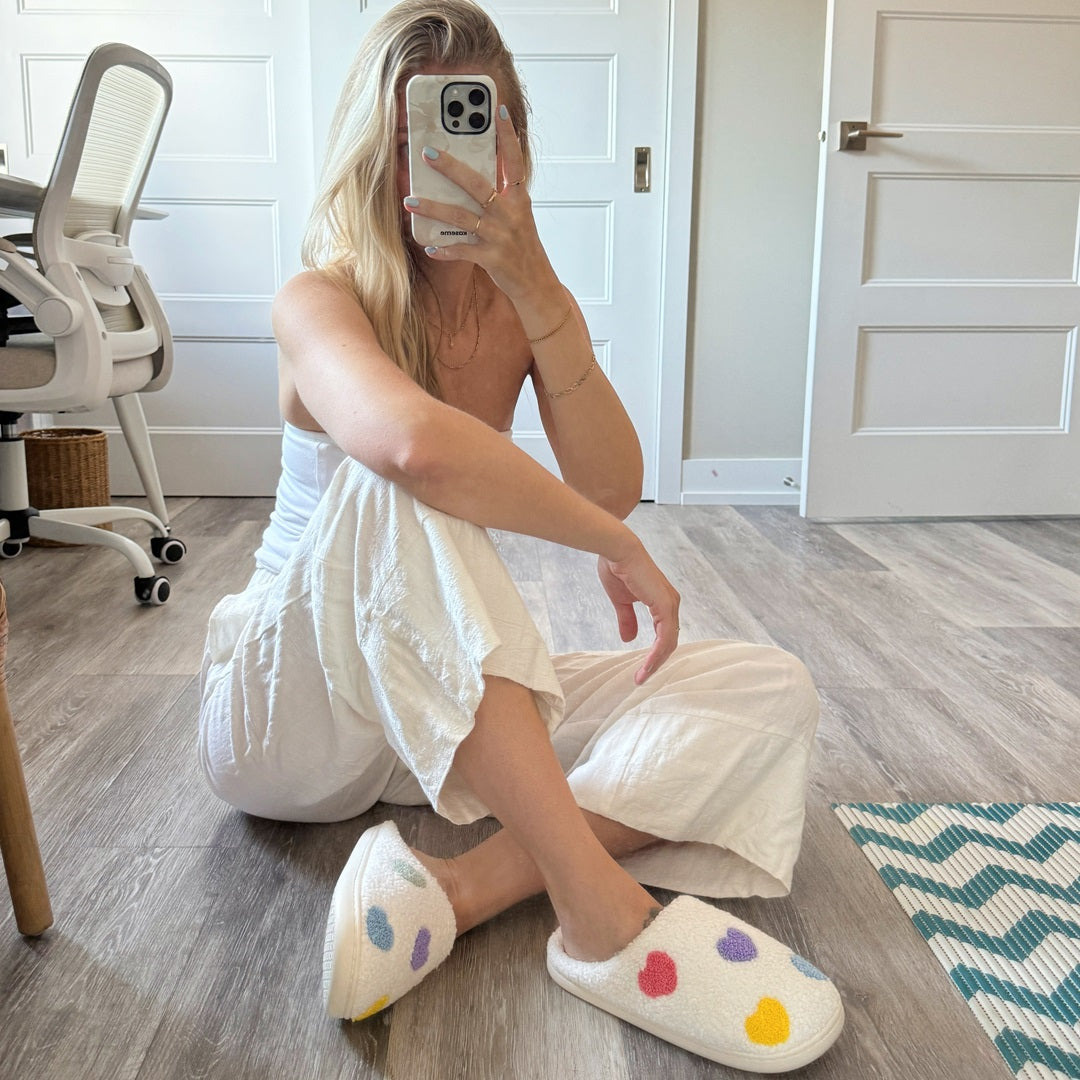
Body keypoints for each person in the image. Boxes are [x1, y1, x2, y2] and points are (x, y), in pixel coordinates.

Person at [198, 0, 844, 1071]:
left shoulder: (524, 308)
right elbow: (414, 447)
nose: (437, 161)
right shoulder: (318, 300)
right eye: (412, 136)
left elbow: (614, 484)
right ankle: (599, 918)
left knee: (768, 687)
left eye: (472, 125)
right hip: (289, 715)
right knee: (402, 481)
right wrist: (613, 544)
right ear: (371, 150)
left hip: (433, 707)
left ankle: (457, 889)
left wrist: (537, 290)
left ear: (515, 145)